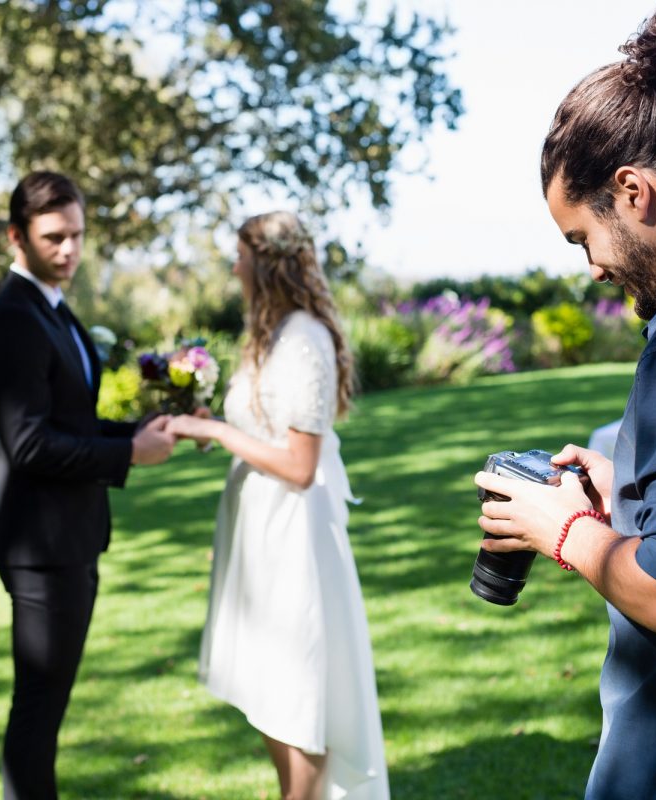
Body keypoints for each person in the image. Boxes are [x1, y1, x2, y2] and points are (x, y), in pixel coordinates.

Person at [475, 2, 656, 798]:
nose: (593, 269)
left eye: (584, 238)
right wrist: (630, 498)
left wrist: (564, 528)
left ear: (634, 191)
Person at [167, 211, 389, 800]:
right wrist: (205, 422)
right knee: (268, 694)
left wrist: (214, 434)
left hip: (293, 537)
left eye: (240, 254)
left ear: (264, 263)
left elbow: (299, 463)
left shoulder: (305, 339)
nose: (233, 265)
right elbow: (264, 432)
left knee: (298, 696)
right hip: (259, 533)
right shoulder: (268, 334)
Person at [0, 171, 176, 800]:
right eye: (54, 237)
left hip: (69, 540)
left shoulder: (54, 310)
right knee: (37, 709)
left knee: (46, 707)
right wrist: (128, 456)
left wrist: (139, 431)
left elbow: (70, 421)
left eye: (78, 235)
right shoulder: (14, 318)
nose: (69, 249)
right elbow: (28, 443)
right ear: (17, 237)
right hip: (41, 548)